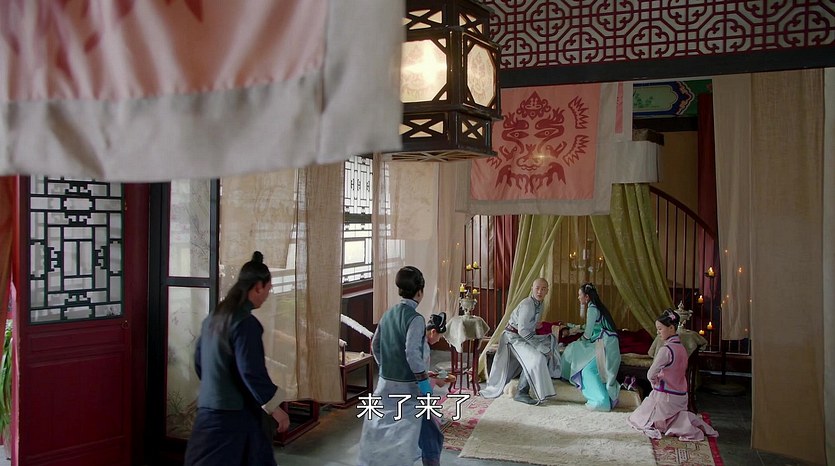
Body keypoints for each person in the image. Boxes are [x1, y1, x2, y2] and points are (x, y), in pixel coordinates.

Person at [184, 251, 290, 466]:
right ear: (258, 287)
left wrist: (217, 387)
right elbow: (251, 372)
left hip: (210, 409)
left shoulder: (215, 317)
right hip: (232, 416)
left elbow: (199, 361)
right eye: (268, 289)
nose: (267, 295)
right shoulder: (245, 324)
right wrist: (275, 408)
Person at [357, 266, 432, 466]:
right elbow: (412, 353)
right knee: (403, 434)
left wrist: (386, 367)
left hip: (385, 383)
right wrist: (425, 385)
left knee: (379, 427)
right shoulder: (416, 319)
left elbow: (375, 345)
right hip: (407, 386)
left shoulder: (387, 314)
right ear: (420, 292)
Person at [627, 309, 719, 441]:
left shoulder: (666, 350)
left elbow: (650, 374)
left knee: (638, 418)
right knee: (666, 414)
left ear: (671, 328)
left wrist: (654, 382)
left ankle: (678, 425)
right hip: (681, 396)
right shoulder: (681, 348)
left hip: (666, 397)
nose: (658, 332)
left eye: (660, 329)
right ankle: (682, 422)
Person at [480, 278, 561, 405]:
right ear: (532, 289)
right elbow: (522, 330)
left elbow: (527, 324)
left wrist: (535, 326)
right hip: (512, 338)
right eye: (537, 288)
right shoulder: (527, 304)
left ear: (547, 291)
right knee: (538, 358)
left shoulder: (539, 304)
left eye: (543, 289)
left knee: (551, 341)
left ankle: (534, 385)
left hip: (522, 336)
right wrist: (539, 347)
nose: (539, 291)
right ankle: (521, 392)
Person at [561, 282, 621, 411]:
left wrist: (579, 340)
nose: (578, 298)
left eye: (580, 295)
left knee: (577, 354)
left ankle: (601, 400)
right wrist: (574, 327)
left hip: (604, 345)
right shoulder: (597, 307)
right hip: (608, 342)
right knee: (579, 354)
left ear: (587, 297)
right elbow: (591, 327)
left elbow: (588, 334)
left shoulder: (592, 309)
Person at [419, 312, 452, 466]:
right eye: (439, 337)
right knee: (433, 436)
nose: (438, 340)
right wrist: (436, 380)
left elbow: (421, 371)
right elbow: (418, 375)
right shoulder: (423, 346)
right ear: (433, 332)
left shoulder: (419, 342)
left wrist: (431, 376)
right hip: (415, 393)